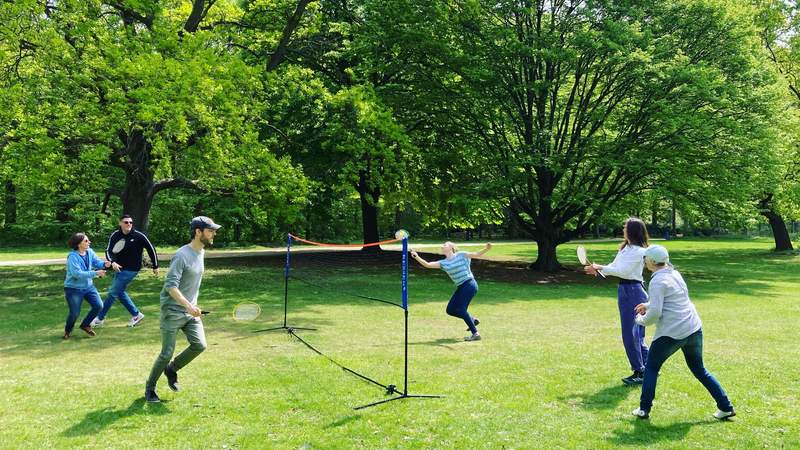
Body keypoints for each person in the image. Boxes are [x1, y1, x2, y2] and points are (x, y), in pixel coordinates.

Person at [631, 245, 735, 420]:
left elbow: (655, 314)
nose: (644, 261)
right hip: (693, 329)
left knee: (651, 367)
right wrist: (648, 305)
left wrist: (640, 320)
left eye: (645, 258)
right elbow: (674, 298)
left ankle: (644, 409)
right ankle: (726, 407)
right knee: (699, 369)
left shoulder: (657, 281)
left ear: (651, 261)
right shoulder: (674, 273)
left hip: (672, 332)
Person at [144, 216, 220, 403]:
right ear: (198, 232)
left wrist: (193, 306)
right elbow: (171, 286)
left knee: (200, 345)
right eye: (210, 230)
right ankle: (150, 389)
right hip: (172, 311)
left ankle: (172, 369)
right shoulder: (181, 255)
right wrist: (189, 306)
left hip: (190, 311)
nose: (214, 234)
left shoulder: (201, 252)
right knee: (166, 352)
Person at [584, 217, 650, 385]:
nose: (623, 230)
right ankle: (649, 368)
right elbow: (614, 266)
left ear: (633, 231)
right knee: (635, 334)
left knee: (632, 334)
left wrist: (599, 267)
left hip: (634, 292)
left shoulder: (639, 252)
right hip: (625, 291)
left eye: (626, 227)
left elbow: (624, 271)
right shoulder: (625, 248)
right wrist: (598, 271)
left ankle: (640, 371)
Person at [410, 242, 492, 341]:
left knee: (461, 309)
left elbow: (477, 254)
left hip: (469, 284)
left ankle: (475, 333)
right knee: (450, 310)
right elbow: (428, 265)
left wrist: (487, 248)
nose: (442, 246)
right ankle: (472, 320)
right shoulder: (444, 263)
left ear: (451, 248)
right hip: (461, 287)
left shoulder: (462, 255)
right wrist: (416, 257)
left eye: (445, 245)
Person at [91, 214, 159, 328]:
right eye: (126, 222)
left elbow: (150, 249)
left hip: (132, 269)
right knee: (119, 292)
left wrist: (155, 265)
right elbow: (108, 250)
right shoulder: (115, 235)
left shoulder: (138, 236)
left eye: (131, 222)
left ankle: (99, 318)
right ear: (120, 223)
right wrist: (112, 262)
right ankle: (136, 315)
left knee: (113, 292)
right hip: (119, 268)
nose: (129, 224)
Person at [63, 232, 111, 339]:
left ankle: (85, 325)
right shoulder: (72, 257)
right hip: (73, 289)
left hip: (88, 287)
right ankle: (68, 330)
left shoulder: (89, 252)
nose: (89, 242)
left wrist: (104, 264)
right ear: (79, 244)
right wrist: (96, 273)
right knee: (75, 313)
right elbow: (77, 274)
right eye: (86, 240)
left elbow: (97, 262)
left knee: (99, 306)